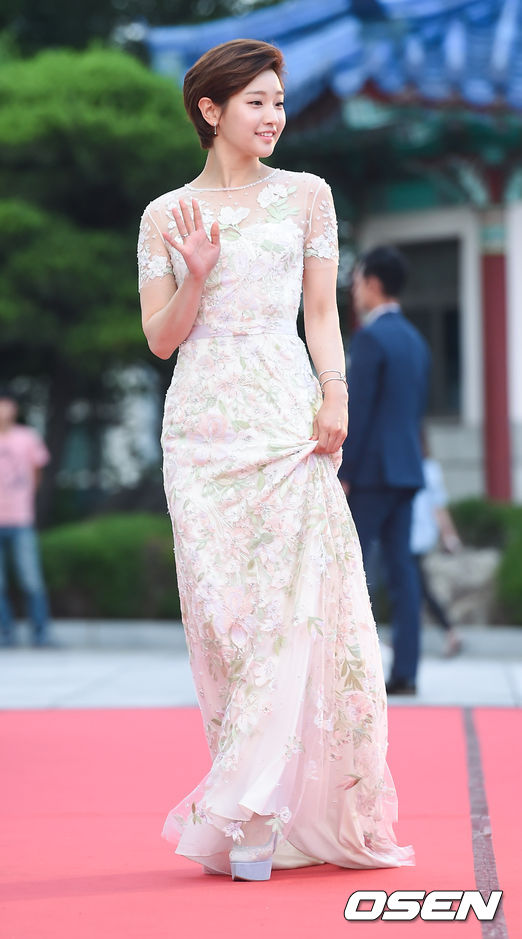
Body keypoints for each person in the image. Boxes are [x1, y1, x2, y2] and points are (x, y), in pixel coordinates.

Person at [138, 39, 414, 881]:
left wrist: (336, 394)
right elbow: (160, 340)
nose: (274, 117)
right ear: (210, 110)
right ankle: (244, 793)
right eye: (256, 102)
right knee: (223, 618)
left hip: (286, 421)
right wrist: (196, 275)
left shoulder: (306, 196)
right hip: (201, 431)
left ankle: (259, 811)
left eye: (279, 103)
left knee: (292, 609)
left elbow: (321, 314)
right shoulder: (166, 214)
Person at [338, 247, 431, 696]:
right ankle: (406, 673)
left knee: (348, 568)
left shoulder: (370, 338)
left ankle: (350, 672)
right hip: (408, 470)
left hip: (371, 473)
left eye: (357, 281)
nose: (355, 291)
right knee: (403, 573)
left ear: (373, 284)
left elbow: (359, 411)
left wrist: (344, 471)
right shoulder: (415, 340)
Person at [0, 387, 56, 648]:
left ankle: (41, 634)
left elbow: (38, 470)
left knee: (31, 579)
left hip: (20, 518)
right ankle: (5, 633)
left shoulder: (27, 437)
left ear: (14, 409)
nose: (3, 411)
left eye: (7, 405)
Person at [411, 434, 463, 657]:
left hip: (416, 535)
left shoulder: (428, 469)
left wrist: (449, 534)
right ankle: (448, 632)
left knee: (415, 587)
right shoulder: (425, 467)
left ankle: (449, 631)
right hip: (414, 534)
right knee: (414, 587)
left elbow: (438, 506)